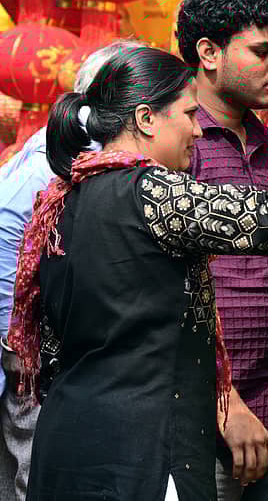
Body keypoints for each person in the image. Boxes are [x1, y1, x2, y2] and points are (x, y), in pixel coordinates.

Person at [9, 46, 268, 501]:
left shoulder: (61, 198)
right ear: (147, 119)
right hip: (142, 457)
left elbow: (52, 354)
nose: (196, 129)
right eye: (189, 114)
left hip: (69, 447)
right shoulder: (149, 191)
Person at [176, 0, 268, 499]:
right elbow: (164, 293)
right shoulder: (179, 149)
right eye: (261, 51)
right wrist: (222, 398)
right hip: (209, 427)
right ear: (208, 53)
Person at [0, 40, 144, 501]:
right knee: (40, 479)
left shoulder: (65, 147)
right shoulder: (65, 163)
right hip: (32, 352)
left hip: (41, 349)